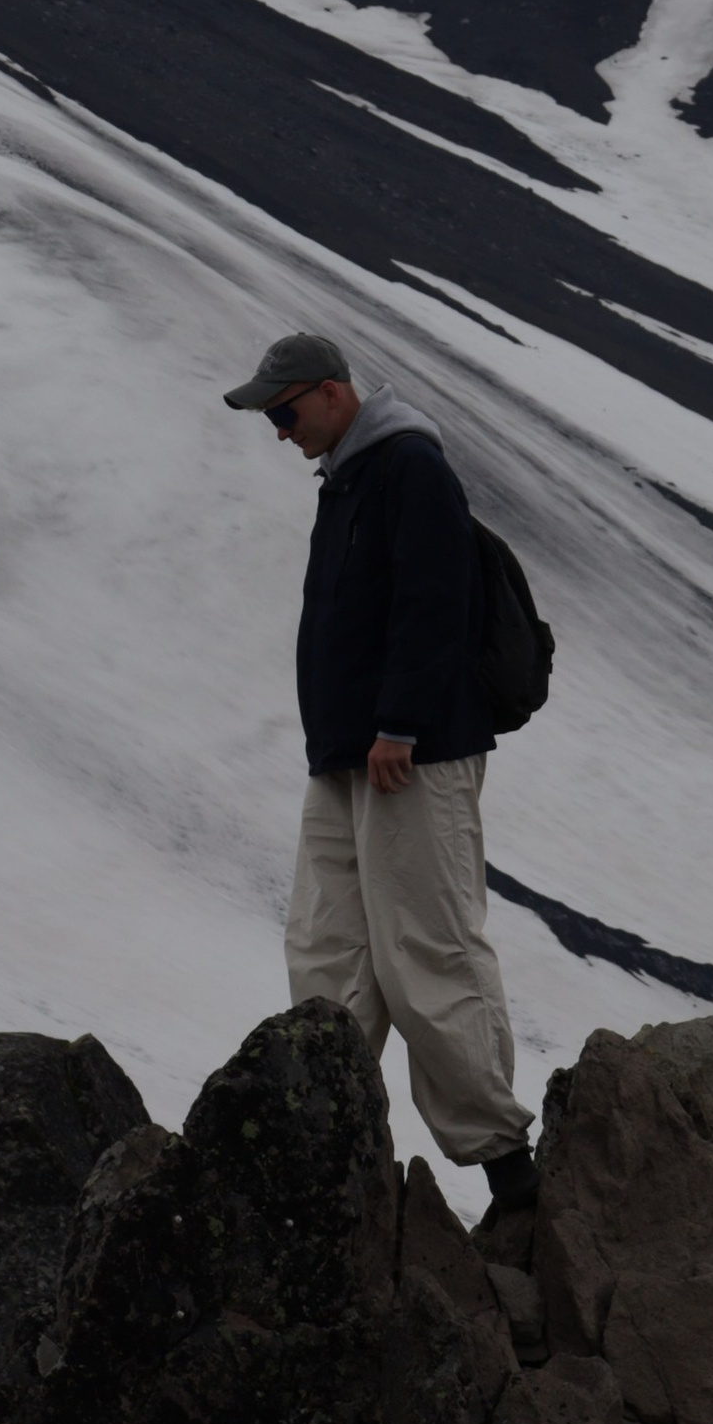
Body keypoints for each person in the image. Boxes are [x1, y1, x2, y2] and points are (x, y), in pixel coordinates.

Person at [222, 324, 539, 1219]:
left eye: (284, 413)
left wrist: (399, 721)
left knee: (426, 947)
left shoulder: (409, 467)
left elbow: (434, 601)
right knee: (326, 943)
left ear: (331, 392)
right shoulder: (350, 478)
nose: (278, 430)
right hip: (347, 758)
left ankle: (507, 1166)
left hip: (410, 754)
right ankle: (325, 1138)